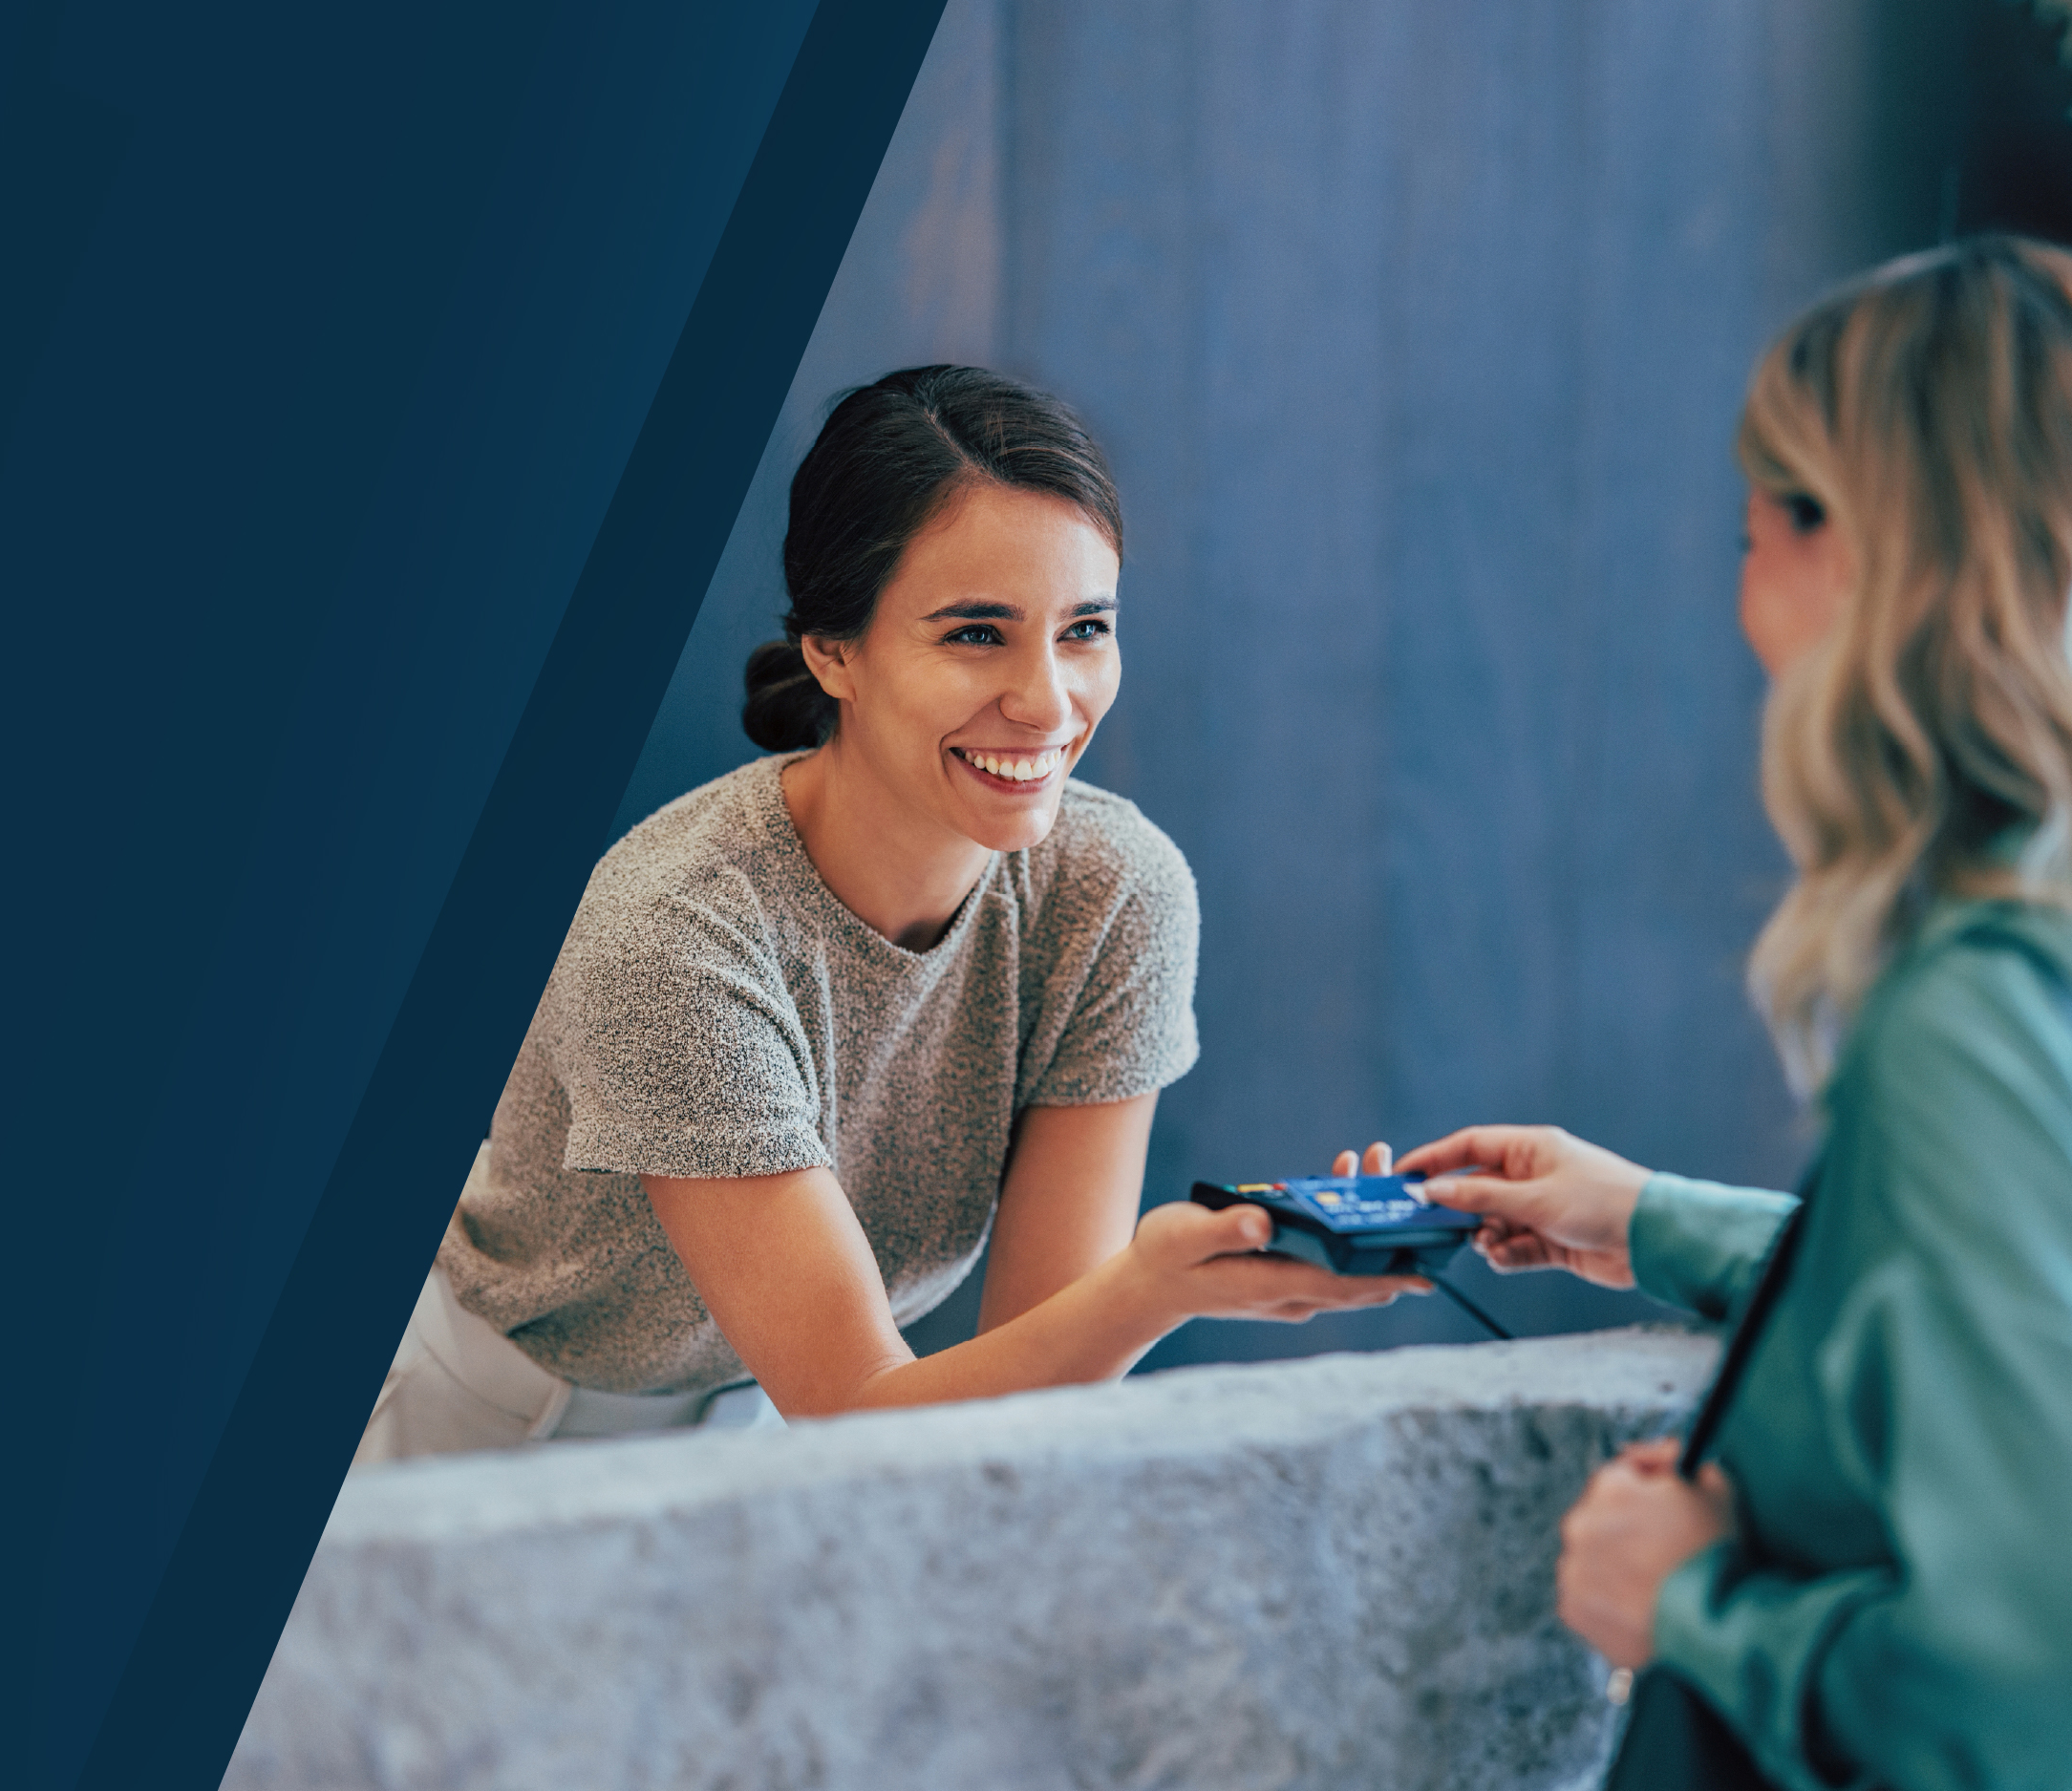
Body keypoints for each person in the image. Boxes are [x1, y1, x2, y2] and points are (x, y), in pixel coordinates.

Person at [355, 365, 1423, 1466]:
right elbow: (857, 1407)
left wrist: (1180, 1280)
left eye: (1085, 627)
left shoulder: (1114, 891)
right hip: (472, 1432)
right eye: (975, 634)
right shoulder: (674, 931)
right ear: (834, 651)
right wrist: (1150, 1289)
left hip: (760, 1435)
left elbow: (1016, 1385)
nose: (1049, 700)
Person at [1391, 236, 2072, 1789]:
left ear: (1857, 551)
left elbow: (2024, 1705)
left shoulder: (1962, 1019)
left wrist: (1691, 1603)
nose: (1739, 577)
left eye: (1751, 520)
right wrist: (1646, 1220)